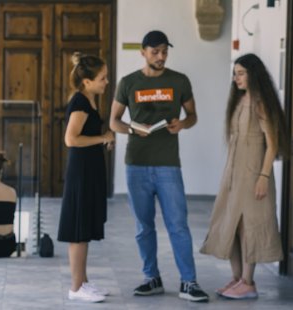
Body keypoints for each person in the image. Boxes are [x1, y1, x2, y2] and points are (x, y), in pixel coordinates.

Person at [109, 30, 209, 302]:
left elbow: (193, 115)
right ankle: (151, 278)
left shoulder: (179, 80)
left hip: (168, 166)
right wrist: (132, 129)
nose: (161, 56)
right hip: (137, 165)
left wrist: (183, 124)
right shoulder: (128, 82)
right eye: (155, 52)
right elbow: (114, 121)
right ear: (143, 52)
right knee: (144, 226)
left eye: (165, 51)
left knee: (178, 225)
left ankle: (189, 282)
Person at [200, 54, 289, 299]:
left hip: (253, 175)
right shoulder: (239, 101)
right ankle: (238, 278)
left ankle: (248, 283)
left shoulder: (260, 103)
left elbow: (272, 145)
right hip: (233, 174)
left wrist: (263, 177)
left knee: (249, 227)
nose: (236, 78)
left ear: (253, 74)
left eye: (241, 73)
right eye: (235, 73)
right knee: (230, 225)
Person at [58, 53, 113, 303]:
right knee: (78, 232)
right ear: (87, 81)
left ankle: (83, 282)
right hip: (81, 173)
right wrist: (103, 138)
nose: (106, 82)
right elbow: (71, 139)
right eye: (102, 78)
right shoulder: (80, 102)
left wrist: (103, 139)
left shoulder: (89, 99)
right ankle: (76, 287)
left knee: (85, 230)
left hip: (90, 170)